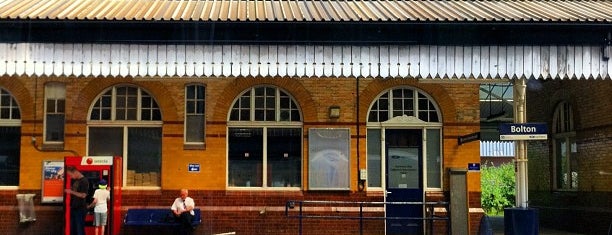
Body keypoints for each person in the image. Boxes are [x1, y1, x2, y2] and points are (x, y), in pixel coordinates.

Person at [64, 166, 89, 235]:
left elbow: (83, 195)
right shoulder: (76, 180)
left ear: (75, 172)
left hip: (80, 209)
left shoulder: (84, 181)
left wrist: (71, 192)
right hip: (74, 208)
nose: (71, 177)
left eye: (70, 175)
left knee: (79, 230)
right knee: (73, 230)